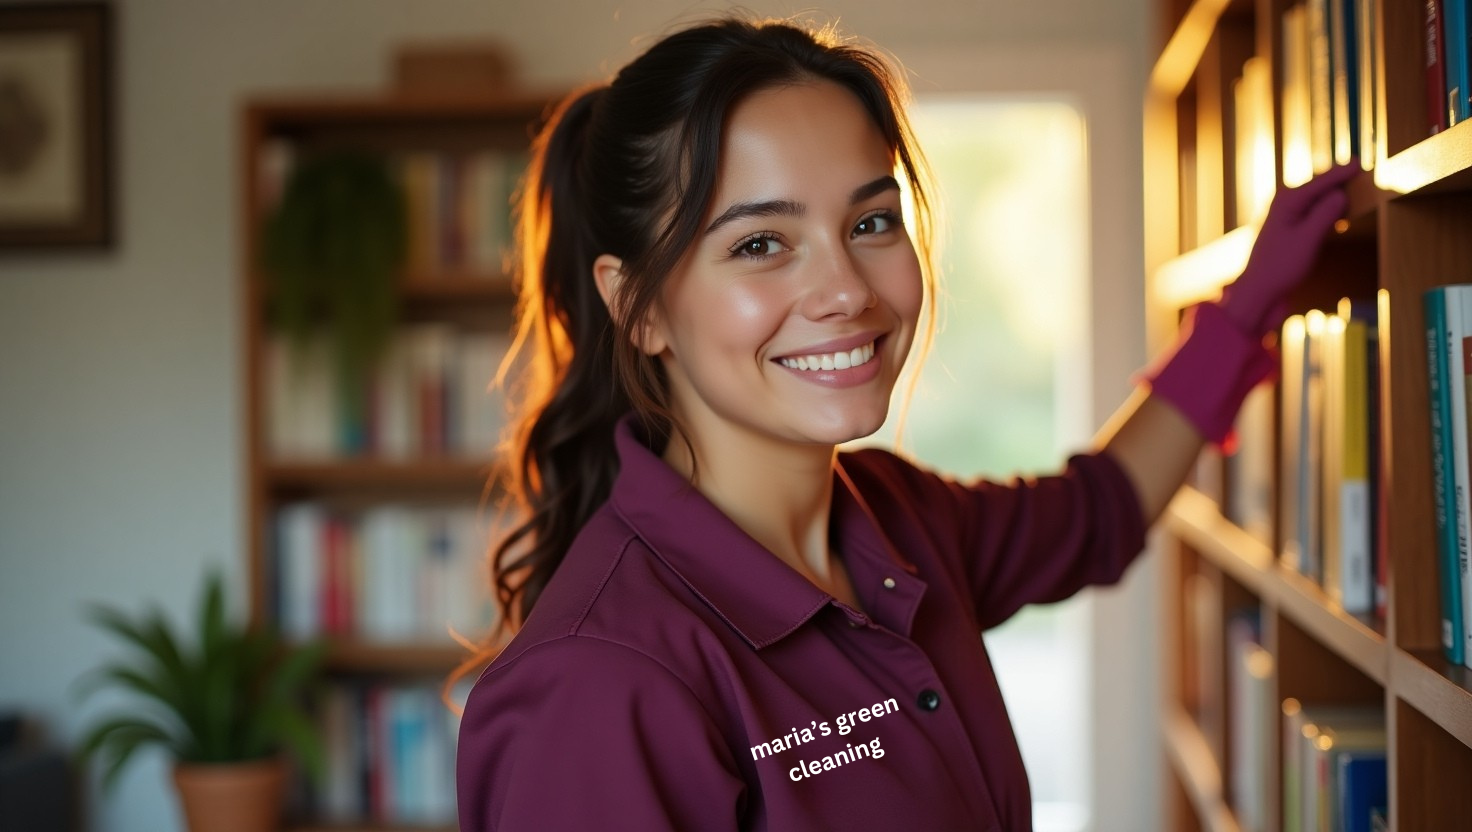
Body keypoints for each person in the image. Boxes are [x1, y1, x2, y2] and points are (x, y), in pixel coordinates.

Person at [452, 16, 1356, 831]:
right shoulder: (598, 687)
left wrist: (1245, 314)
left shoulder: (900, 518)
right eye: (761, 243)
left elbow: (1099, 511)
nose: (847, 290)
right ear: (636, 305)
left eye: (873, 221)